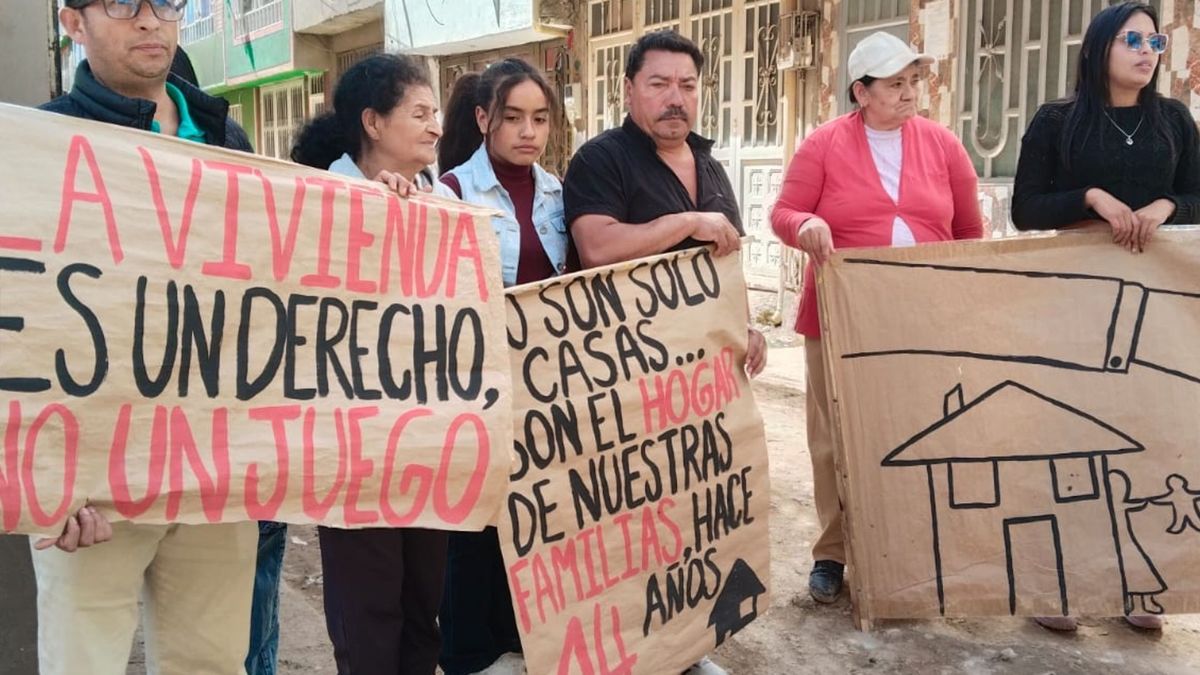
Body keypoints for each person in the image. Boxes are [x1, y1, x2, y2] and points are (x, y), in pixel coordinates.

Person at [36, 1, 259, 673]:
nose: (149, 20)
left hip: (217, 468)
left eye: (165, 2)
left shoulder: (227, 138)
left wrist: (390, 208)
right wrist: (42, 473)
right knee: (83, 661)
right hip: (89, 481)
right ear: (74, 23)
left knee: (213, 661)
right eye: (121, 3)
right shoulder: (35, 146)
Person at [563, 30, 766, 675]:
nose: (675, 98)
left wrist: (748, 325)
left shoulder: (710, 166)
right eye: (659, 84)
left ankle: (686, 648)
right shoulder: (602, 160)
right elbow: (596, 247)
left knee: (692, 520)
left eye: (686, 85)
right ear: (629, 90)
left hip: (701, 386)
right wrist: (685, 223)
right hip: (625, 383)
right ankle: (632, 655)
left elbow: (727, 265)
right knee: (630, 525)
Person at [769, 31, 983, 605]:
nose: (910, 92)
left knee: (916, 431)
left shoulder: (943, 145)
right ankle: (832, 554)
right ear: (861, 92)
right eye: (895, 84)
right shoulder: (823, 145)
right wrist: (804, 227)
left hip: (920, 317)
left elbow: (967, 233)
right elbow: (784, 211)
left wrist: (961, 299)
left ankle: (907, 552)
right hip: (839, 314)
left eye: (914, 80)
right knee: (834, 437)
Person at [1011, 0, 1200, 632]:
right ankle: (1057, 584)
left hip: (1157, 307)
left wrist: (1168, 205)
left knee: (1146, 437)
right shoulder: (1058, 120)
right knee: (1071, 442)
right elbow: (1025, 207)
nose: (1147, 52)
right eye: (1133, 40)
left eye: (1155, 42)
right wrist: (1089, 197)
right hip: (1073, 303)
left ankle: (1137, 586)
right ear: (1099, 49)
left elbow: (1199, 194)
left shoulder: (1173, 119)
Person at [291, 52, 446, 674]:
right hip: (352, 441)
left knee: (422, 602)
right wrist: (364, 216)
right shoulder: (317, 198)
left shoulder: (447, 206)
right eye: (419, 113)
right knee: (368, 608)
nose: (436, 125)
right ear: (374, 124)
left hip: (432, 433)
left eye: (437, 112)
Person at [432, 58, 570, 675]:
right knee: (475, 520)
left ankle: (520, 638)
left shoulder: (556, 192)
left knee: (532, 513)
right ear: (484, 118)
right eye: (513, 117)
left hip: (543, 385)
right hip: (475, 385)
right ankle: (468, 652)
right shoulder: (452, 192)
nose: (528, 132)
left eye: (539, 119)